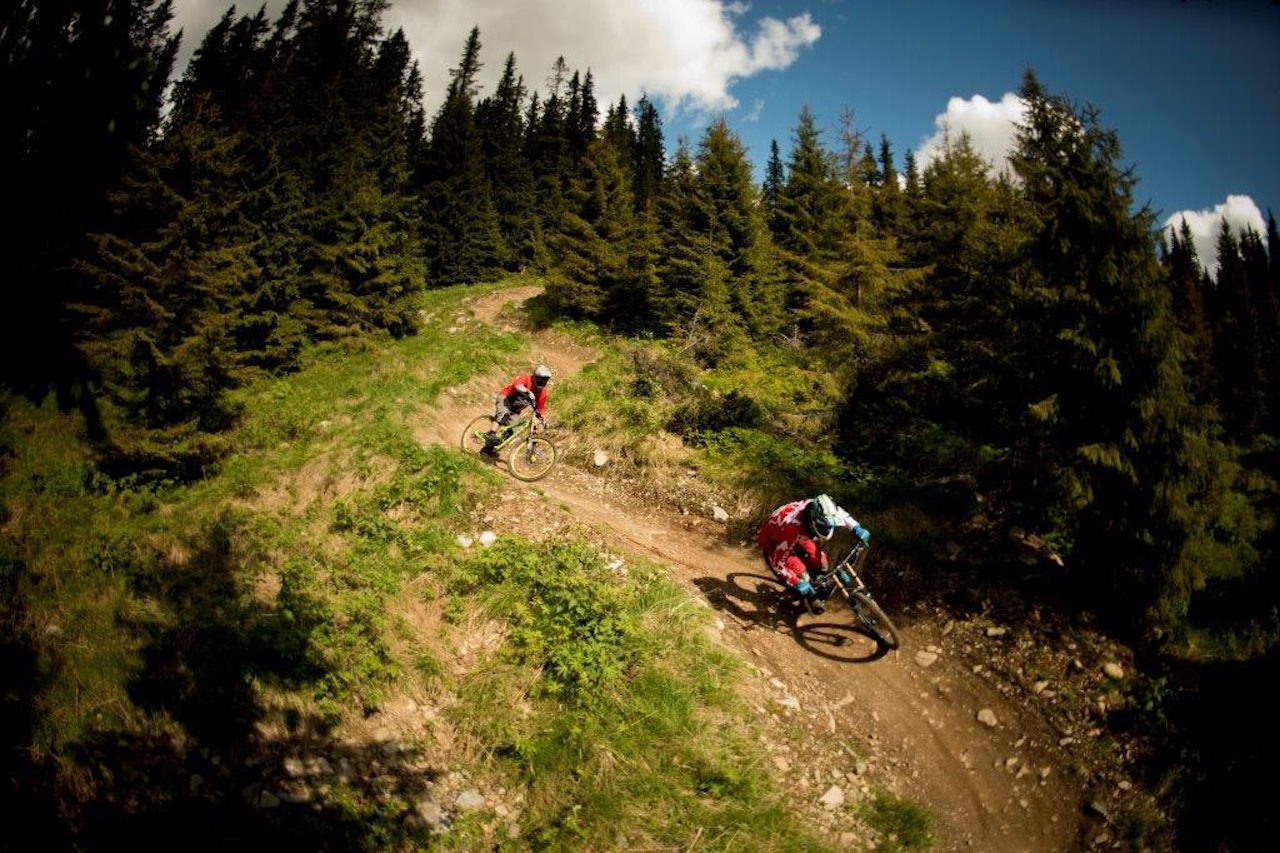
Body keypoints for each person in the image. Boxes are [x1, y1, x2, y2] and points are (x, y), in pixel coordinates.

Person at [757, 494, 871, 615]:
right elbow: (778, 563)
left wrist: (857, 528)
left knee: (820, 561)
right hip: (775, 539)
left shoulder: (822, 508)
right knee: (802, 575)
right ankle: (802, 598)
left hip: (798, 531)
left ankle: (816, 582)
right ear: (813, 520)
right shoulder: (792, 529)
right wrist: (797, 582)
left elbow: (840, 514)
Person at [481, 364, 552, 456]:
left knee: (513, 430)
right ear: (534, 377)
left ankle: (489, 448)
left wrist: (543, 420)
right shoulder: (526, 379)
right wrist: (527, 391)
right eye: (540, 379)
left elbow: (540, 409)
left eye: (545, 380)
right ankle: (491, 434)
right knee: (503, 414)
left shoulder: (542, 393)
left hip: (516, 410)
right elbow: (517, 385)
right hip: (505, 399)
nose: (542, 381)